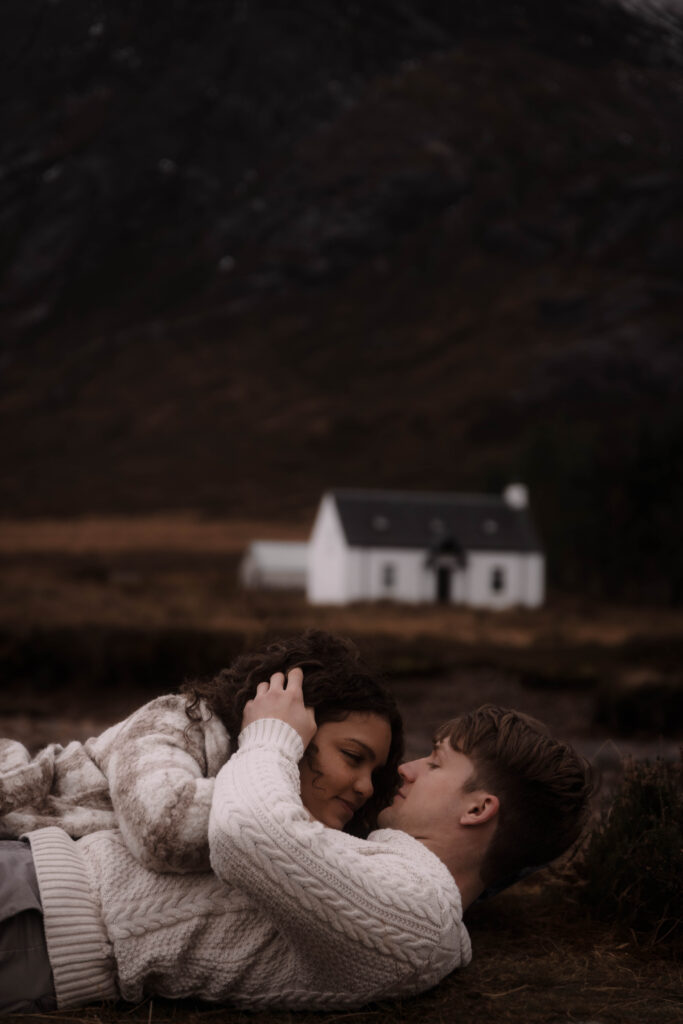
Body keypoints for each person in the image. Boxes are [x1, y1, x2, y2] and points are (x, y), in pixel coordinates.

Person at [0, 669, 592, 1014]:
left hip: (37, 923)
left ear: (479, 808)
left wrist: (272, 733)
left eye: (437, 764)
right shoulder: (404, 879)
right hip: (36, 886)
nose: (406, 771)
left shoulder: (420, 917)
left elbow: (246, 831)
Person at [0, 630, 404, 867]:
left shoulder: (297, 819)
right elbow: (163, 830)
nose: (365, 787)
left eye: (374, 772)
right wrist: (272, 744)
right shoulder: (177, 720)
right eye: (353, 757)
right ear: (295, 726)